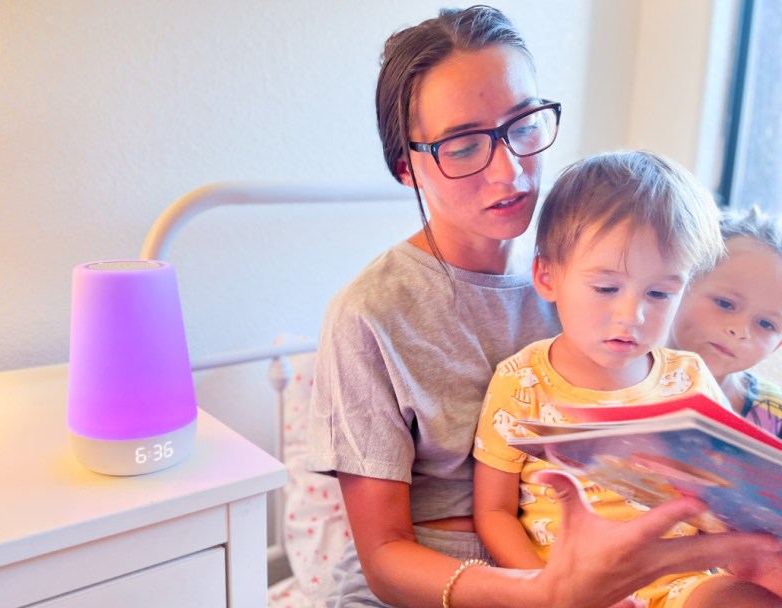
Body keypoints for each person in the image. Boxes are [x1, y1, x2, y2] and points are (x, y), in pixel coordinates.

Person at [306, 5, 781, 608]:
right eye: (462, 144)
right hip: (443, 587)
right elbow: (384, 560)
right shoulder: (370, 316)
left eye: (523, 125)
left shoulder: (602, 273)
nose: (509, 171)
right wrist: (550, 593)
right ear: (408, 166)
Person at [472, 150, 782, 607]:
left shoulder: (688, 377)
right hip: (569, 584)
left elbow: (725, 491)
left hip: (682, 583)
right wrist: (548, 588)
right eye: (606, 288)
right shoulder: (521, 381)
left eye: (659, 293)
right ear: (547, 275)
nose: (631, 315)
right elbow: (494, 512)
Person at [669, 205, 782, 438]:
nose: (739, 331)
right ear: (680, 284)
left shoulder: (776, 416)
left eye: (766, 324)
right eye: (725, 303)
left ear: (778, 344)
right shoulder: (614, 372)